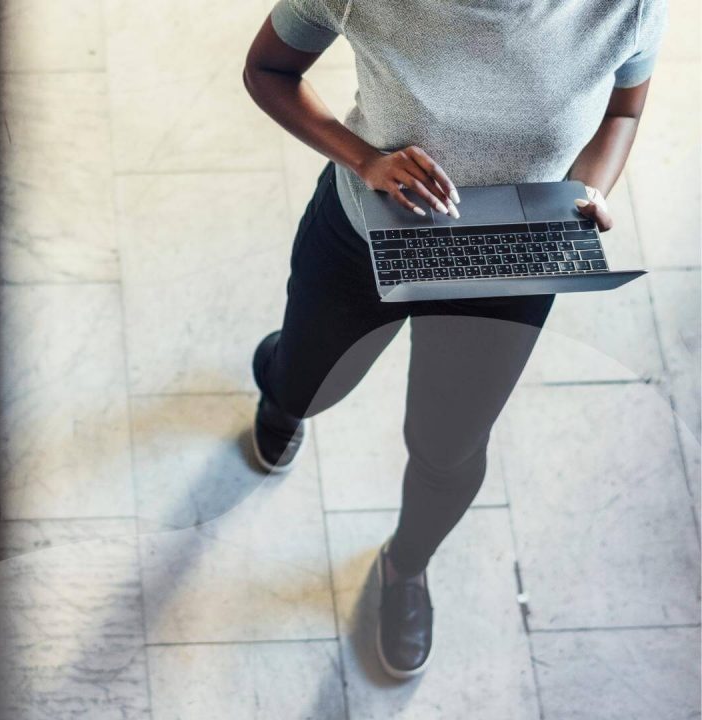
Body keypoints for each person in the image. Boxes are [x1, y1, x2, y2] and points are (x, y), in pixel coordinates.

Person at [242, 0, 666, 679]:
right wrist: (365, 160)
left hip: (512, 263)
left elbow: (623, 111)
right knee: (309, 387)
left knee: (447, 448)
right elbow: (267, 69)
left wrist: (591, 188)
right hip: (364, 239)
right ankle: (286, 383)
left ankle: (405, 568)